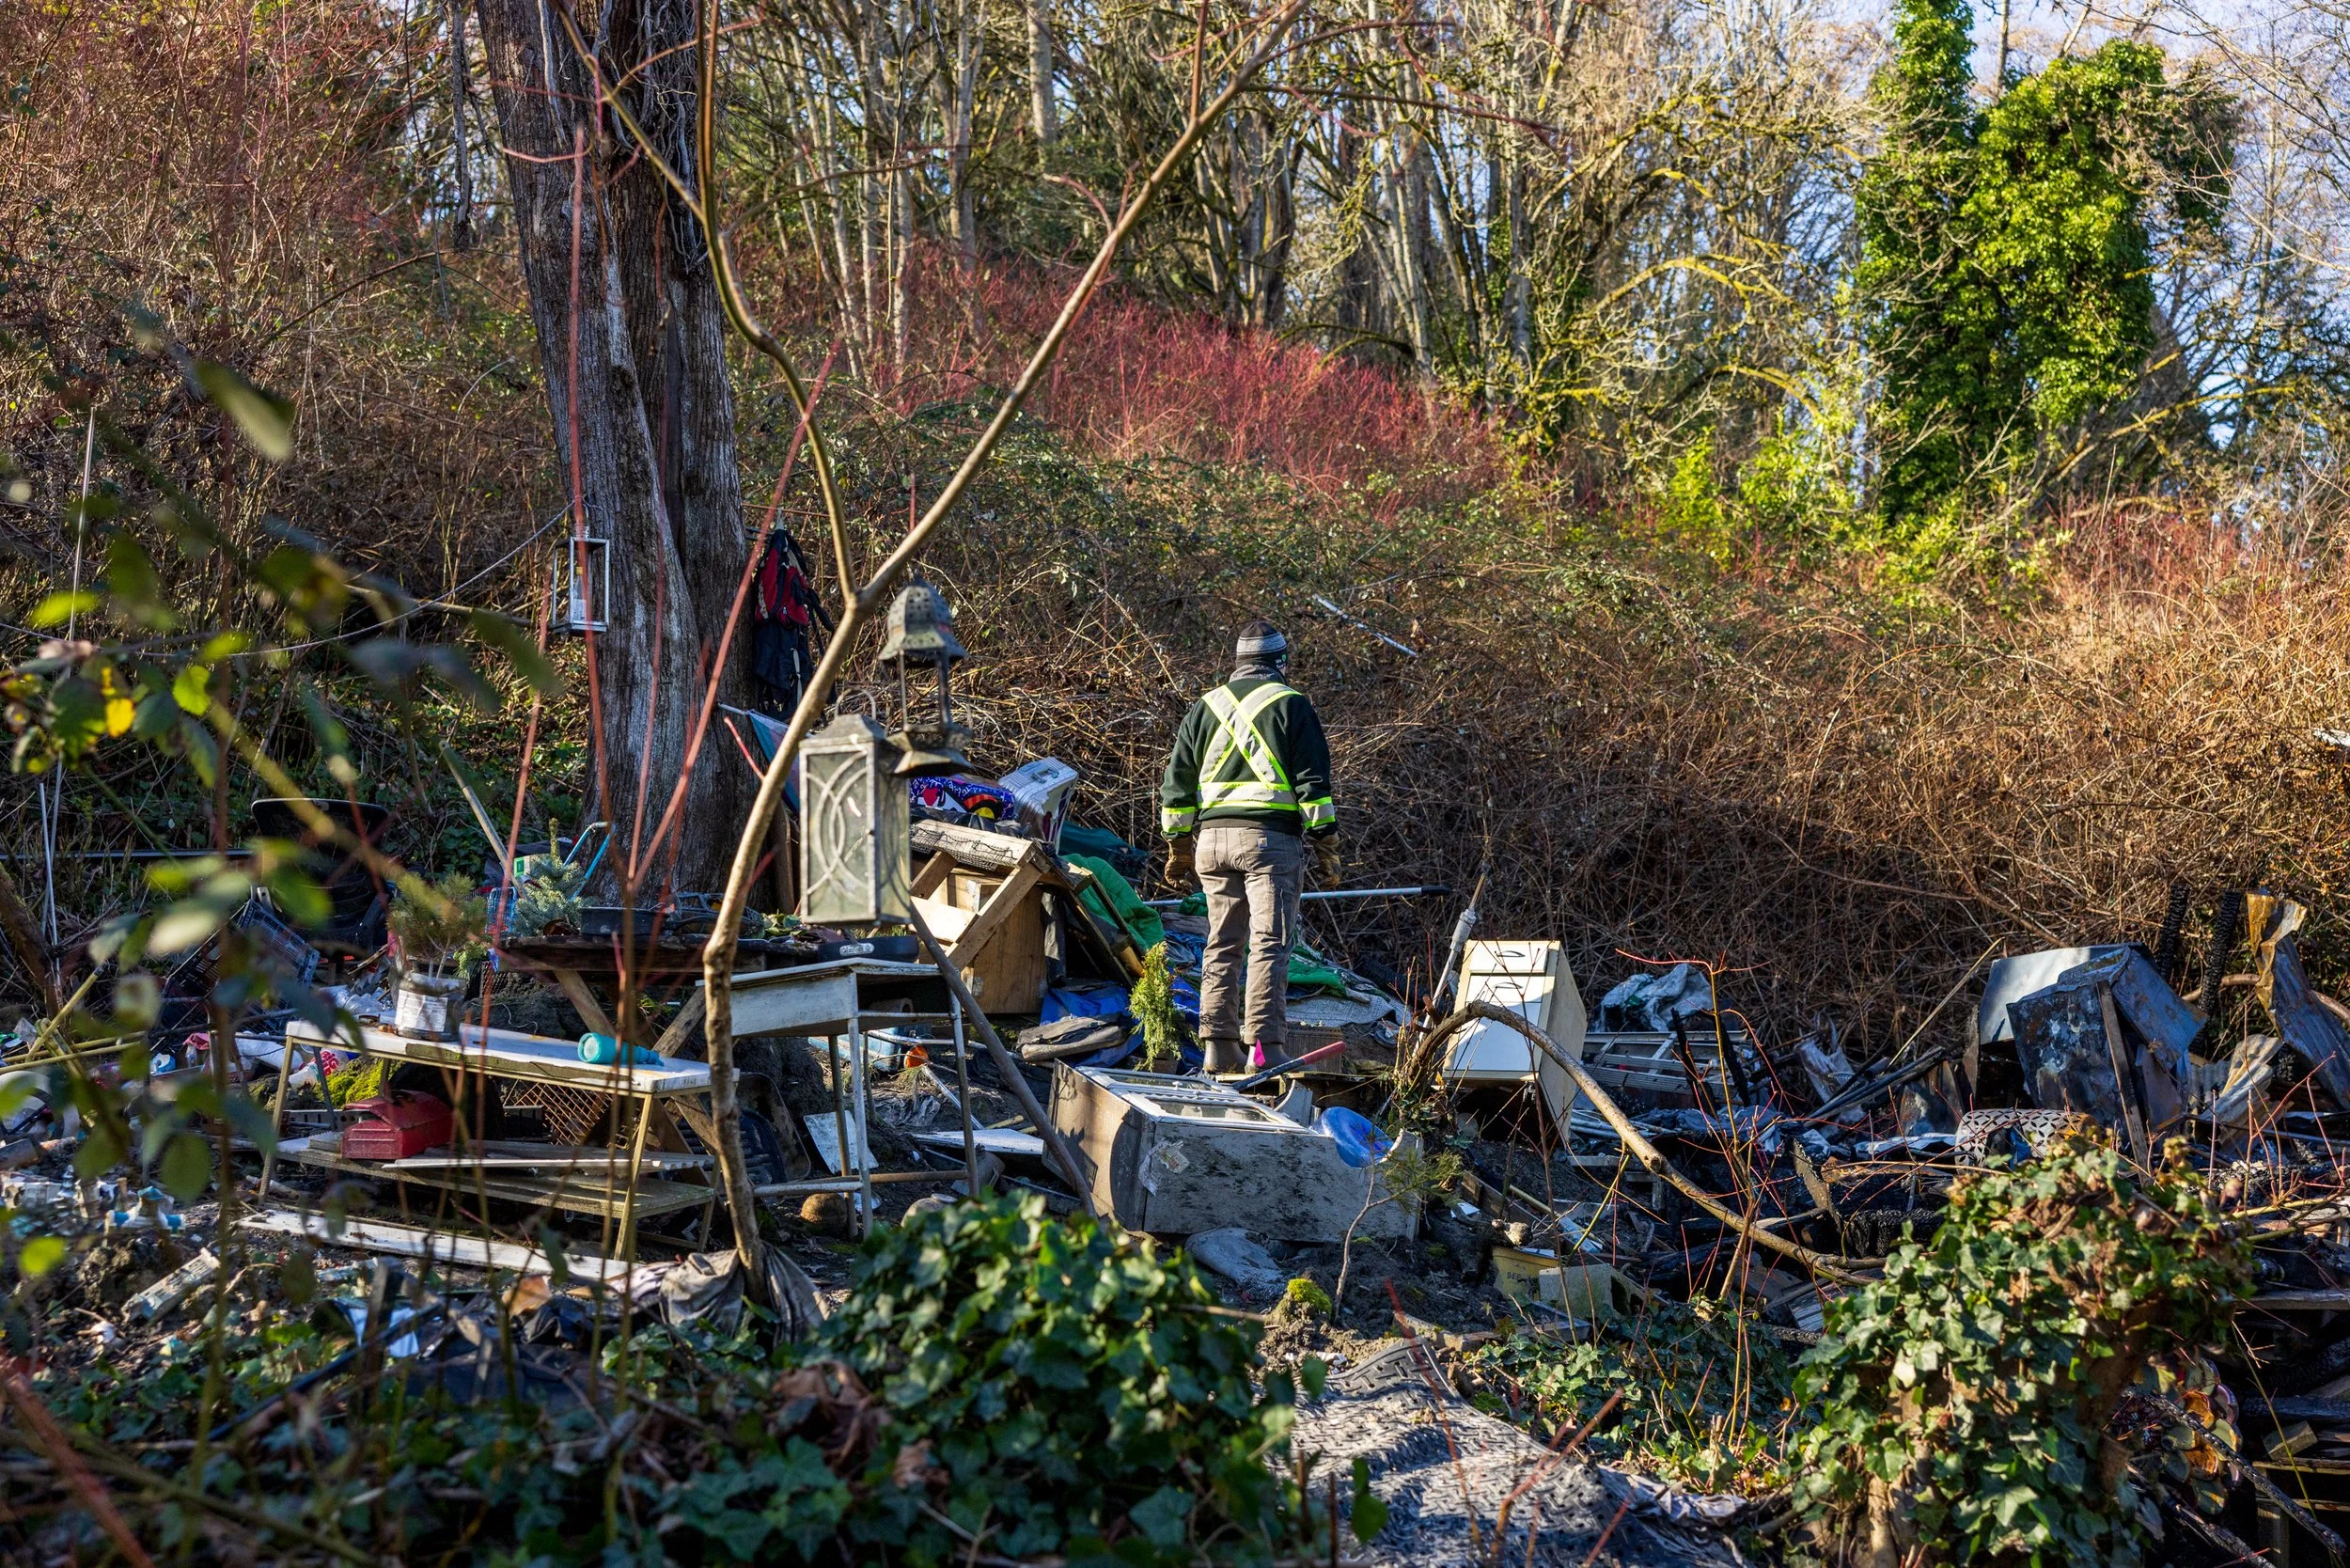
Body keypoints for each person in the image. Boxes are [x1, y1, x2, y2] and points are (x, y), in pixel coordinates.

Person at [1159, 620, 1340, 1075]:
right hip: (1268, 842)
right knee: (1269, 942)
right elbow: (1313, 786)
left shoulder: (1205, 706)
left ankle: (1218, 1048)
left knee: (1221, 943)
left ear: (1238, 662)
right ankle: (1263, 1048)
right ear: (1280, 663)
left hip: (1211, 844)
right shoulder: (1290, 704)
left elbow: (1176, 781)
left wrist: (1179, 845)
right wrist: (1326, 844)